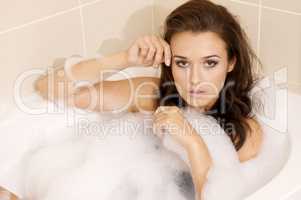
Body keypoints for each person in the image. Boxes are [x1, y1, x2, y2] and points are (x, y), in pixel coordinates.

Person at [1, 0, 264, 199]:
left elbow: (216, 193)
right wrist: (123, 59)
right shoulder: (152, 95)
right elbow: (50, 89)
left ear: (231, 62)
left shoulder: (244, 133)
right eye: (182, 63)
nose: (195, 79)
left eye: (210, 63)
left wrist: (191, 138)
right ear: (169, 62)